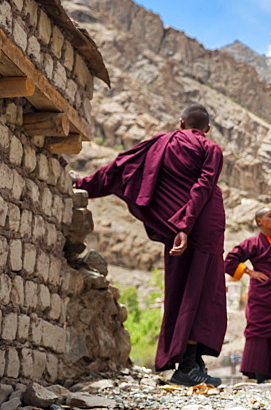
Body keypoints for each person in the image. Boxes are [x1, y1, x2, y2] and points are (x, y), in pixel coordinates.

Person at [75, 104, 226, 387]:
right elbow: (204, 186)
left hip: (178, 227)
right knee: (200, 294)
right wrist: (187, 225)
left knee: (181, 289)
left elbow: (119, 169)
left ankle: (192, 363)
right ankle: (188, 367)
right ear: (206, 129)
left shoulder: (160, 143)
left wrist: (81, 183)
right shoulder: (211, 148)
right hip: (203, 227)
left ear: (180, 123)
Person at [225, 207, 271, 384]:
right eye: (269, 216)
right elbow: (231, 260)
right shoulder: (252, 243)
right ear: (259, 221)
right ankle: (260, 377)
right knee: (258, 334)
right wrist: (250, 272)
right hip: (261, 296)